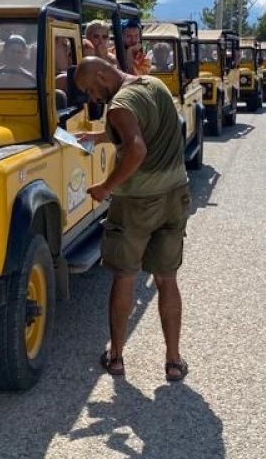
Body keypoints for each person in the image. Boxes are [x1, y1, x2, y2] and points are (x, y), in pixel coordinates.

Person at [73, 56, 191, 382]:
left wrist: (106, 186)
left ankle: (116, 357)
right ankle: (173, 360)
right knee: (167, 278)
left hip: (137, 202)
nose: (92, 97)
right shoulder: (152, 85)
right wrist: (99, 137)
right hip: (175, 194)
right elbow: (149, 131)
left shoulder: (118, 106)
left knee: (125, 277)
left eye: (91, 89)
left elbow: (136, 148)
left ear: (101, 74)